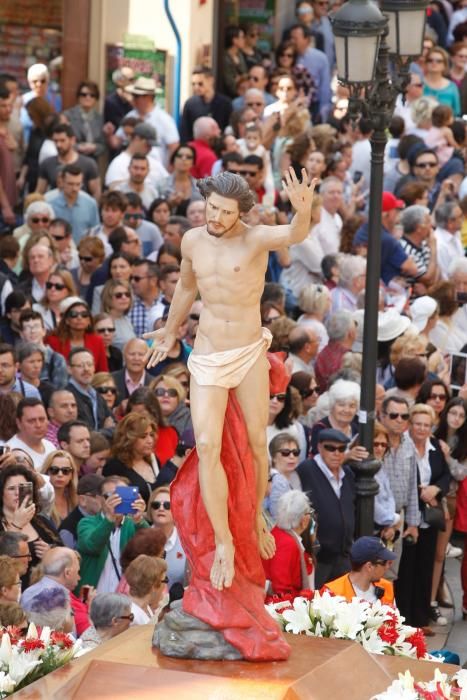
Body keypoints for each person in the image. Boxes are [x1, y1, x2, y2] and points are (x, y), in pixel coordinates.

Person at [144, 168, 316, 587]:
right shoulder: (192, 240)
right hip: (206, 352)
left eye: (224, 212)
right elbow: (186, 288)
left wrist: (304, 208)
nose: (215, 217)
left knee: (258, 442)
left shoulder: (255, 238)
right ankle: (223, 541)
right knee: (205, 445)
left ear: (241, 213)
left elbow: (295, 233)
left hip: (247, 351)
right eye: (211, 208)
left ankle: (256, 513)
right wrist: (169, 332)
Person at [396, 404, 450, 633]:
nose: (421, 428)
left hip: (430, 517)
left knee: (425, 569)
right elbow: (404, 477)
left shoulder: (436, 446)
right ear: (410, 424)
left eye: (426, 425)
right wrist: (420, 491)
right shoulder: (404, 446)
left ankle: (420, 620)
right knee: (405, 570)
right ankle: (404, 621)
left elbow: (446, 475)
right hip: (409, 516)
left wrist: (436, 489)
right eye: (417, 423)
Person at [297, 428, 355, 588]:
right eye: (331, 448)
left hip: (343, 556)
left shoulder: (347, 473)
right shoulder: (306, 470)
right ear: (320, 447)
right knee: (315, 605)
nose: (336, 453)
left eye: (342, 449)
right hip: (318, 557)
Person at [77, 475, 148, 592]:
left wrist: (139, 520)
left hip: (124, 601)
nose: (115, 501)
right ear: (99, 499)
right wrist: (109, 518)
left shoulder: (133, 525)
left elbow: (151, 550)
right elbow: (92, 546)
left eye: (120, 496)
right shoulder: (86, 523)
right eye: (109, 496)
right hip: (92, 600)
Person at [0, 464, 62, 580]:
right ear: (1, 493)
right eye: (11, 488)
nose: (17, 492)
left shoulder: (42, 522)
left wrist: (50, 554)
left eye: (22, 487)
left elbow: (66, 555)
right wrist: (16, 526)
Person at [21, 546, 90, 636]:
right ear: (67, 573)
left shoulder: (28, 592)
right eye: (77, 572)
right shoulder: (58, 599)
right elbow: (64, 643)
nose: (79, 577)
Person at [263, 490, 314, 596]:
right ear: (304, 520)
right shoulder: (288, 544)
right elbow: (281, 590)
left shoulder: (276, 531)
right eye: (309, 513)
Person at [103, 413, 158, 504]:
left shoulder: (153, 460)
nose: (150, 441)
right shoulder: (115, 466)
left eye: (151, 435)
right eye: (143, 437)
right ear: (129, 439)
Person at [36, 123, 101, 199]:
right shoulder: (47, 164)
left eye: (62, 140)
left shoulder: (88, 164)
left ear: (72, 140)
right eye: (55, 141)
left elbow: (96, 192)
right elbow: (39, 192)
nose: (58, 145)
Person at [325, 536, 395, 605]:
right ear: (369, 566)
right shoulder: (331, 593)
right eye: (384, 562)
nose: (387, 566)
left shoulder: (386, 588)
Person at [45, 297, 108, 371]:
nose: (79, 317)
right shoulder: (53, 341)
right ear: (67, 320)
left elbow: (103, 372)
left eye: (84, 314)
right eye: (74, 314)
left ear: (89, 321)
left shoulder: (97, 341)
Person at [47, 164, 100, 244]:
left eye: (78, 184)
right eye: (70, 184)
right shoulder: (50, 204)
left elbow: (95, 232)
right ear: (62, 182)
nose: (74, 188)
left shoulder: (90, 204)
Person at [148, 485, 186, 591]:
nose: (161, 508)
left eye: (167, 505)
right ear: (150, 510)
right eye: (156, 505)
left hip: (178, 605)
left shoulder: (186, 541)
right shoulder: (140, 539)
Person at [180, 67, 232, 142]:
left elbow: (228, 130)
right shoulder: (190, 104)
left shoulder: (225, 104)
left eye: (200, 84)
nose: (196, 87)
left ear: (211, 80)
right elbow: (184, 132)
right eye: (193, 84)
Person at [66, 348, 112, 430]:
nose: (86, 369)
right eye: (80, 365)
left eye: (89, 364)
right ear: (69, 369)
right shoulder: (67, 397)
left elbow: (113, 424)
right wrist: (105, 431)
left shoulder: (96, 395)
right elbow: (83, 433)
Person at [7, 398, 56, 469]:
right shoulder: (10, 453)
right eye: (31, 421)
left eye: (42, 419)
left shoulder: (50, 446)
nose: (38, 425)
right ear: (18, 423)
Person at [59, 473, 103, 550]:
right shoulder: (68, 530)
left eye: (106, 496)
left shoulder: (106, 519)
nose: (104, 500)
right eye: (98, 496)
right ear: (83, 500)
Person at [63, 81, 105, 160]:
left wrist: (94, 148)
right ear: (78, 97)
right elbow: (63, 141)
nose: (88, 98)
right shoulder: (68, 116)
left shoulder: (99, 118)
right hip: (73, 161)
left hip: (93, 162)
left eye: (92, 95)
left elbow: (103, 145)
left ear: (96, 99)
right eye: (84, 94)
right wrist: (79, 147)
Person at [266, 433, 302, 520]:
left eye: (295, 452)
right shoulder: (278, 481)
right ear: (274, 457)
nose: (292, 456)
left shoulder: (295, 477)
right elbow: (278, 518)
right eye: (285, 453)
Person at [125, 554, 168, 625]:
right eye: (165, 580)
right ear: (153, 587)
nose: (166, 585)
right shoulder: (132, 619)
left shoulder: (145, 607)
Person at [40, 450, 78, 527]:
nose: (60, 474)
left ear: (72, 475)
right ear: (46, 472)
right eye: (54, 470)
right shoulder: (40, 500)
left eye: (66, 471)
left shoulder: (76, 501)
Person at [111, 338, 152, 404]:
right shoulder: (111, 380)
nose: (136, 358)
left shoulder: (154, 383)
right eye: (132, 354)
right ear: (124, 356)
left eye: (141, 354)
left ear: (148, 358)